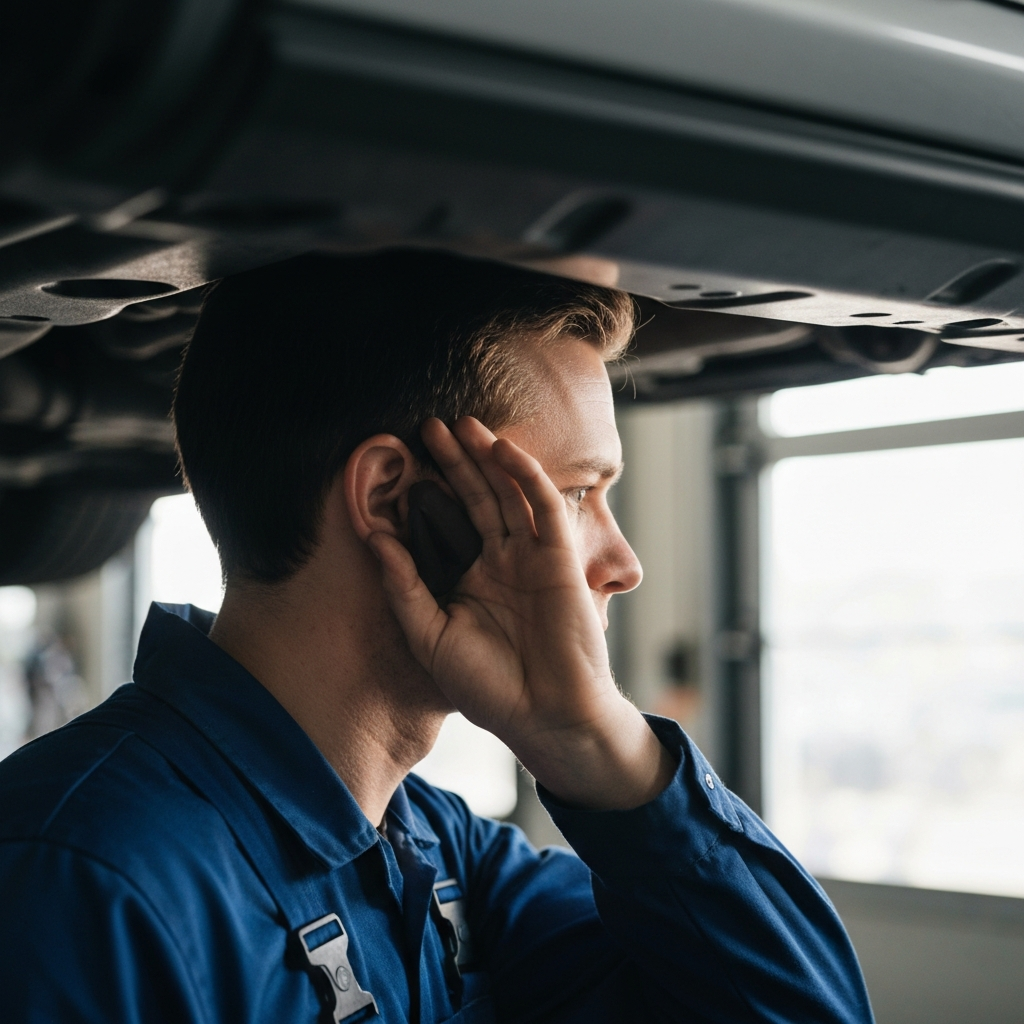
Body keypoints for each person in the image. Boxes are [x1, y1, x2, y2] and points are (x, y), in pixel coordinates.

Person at [0, 250, 873, 1023]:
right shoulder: (81, 881)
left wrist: (601, 748)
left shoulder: (437, 852)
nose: (622, 562)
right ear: (392, 500)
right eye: (575, 494)